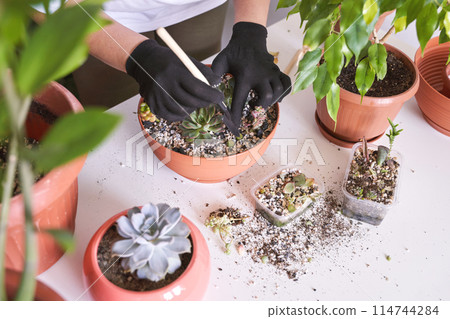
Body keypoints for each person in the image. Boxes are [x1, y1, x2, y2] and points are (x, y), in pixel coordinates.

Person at [39, 0, 292, 127]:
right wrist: (137, 57)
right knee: (117, 113)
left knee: (199, 83)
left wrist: (251, 29)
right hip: (95, 15)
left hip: (200, 6)